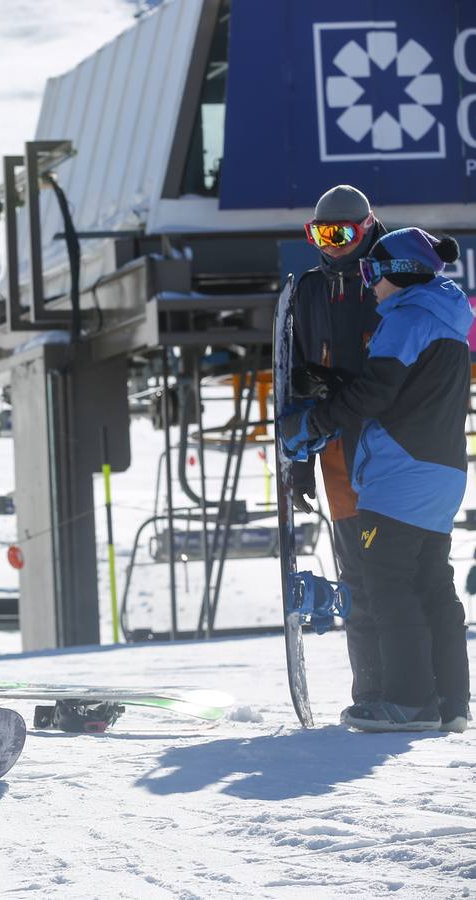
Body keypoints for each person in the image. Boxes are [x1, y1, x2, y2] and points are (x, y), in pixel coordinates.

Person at [280, 228, 470, 732]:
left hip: (400, 475)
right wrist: (339, 387)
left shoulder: (406, 319)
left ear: (399, 272)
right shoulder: (444, 316)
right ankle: (451, 701)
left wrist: (313, 422)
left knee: (389, 586)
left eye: (372, 272)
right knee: (432, 584)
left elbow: (377, 395)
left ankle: (409, 701)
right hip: (442, 471)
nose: (369, 284)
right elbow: (402, 388)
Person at [291, 184, 385, 712]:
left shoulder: (392, 278)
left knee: (393, 574)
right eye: (321, 234)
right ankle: (370, 689)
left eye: (342, 234)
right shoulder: (309, 292)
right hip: (338, 458)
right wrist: (299, 461)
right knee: (357, 577)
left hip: (391, 456)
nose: (331, 245)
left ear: (366, 227)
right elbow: (294, 377)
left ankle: (413, 686)